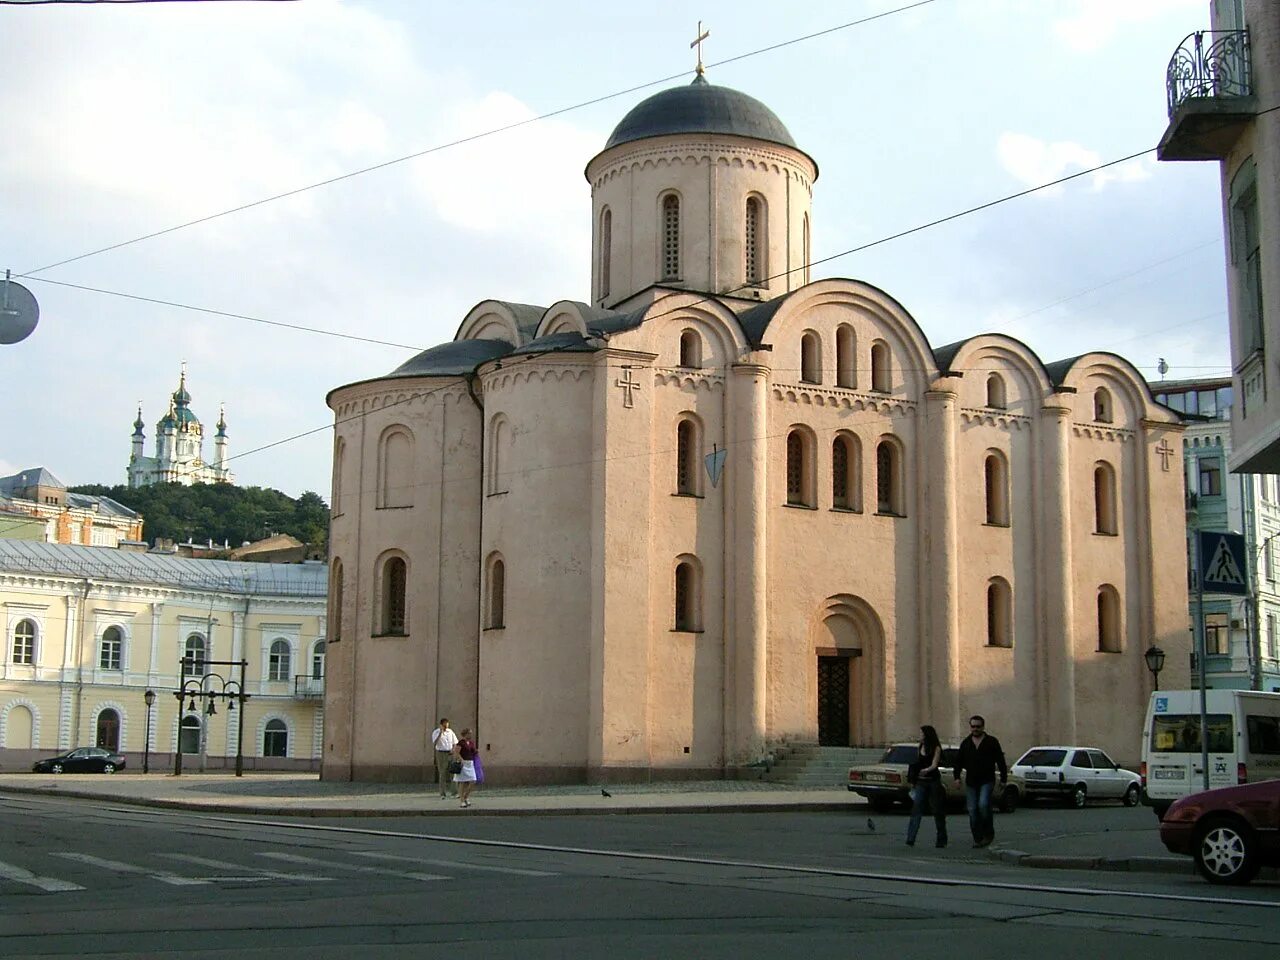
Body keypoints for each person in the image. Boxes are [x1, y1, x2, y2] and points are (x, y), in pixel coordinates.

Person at [953, 714, 1007, 849]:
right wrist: (957, 778)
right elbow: (958, 762)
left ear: (983, 727)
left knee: (983, 805)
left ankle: (988, 833)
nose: (975, 729)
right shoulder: (966, 743)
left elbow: (1000, 760)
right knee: (972, 810)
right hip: (971, 781)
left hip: (987, 780)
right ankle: (978, 838)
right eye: (973, 726)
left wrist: (1004, 779)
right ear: (970, 727)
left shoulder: (992, 742)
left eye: (978, 726)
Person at [905, 724, 947, 849]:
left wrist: (926, 770)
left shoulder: (936, 748)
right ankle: (910, 838)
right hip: (921, 782)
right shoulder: (920, 747)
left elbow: (934, 765)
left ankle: (941, 839)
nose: (920, 736)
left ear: (927, 735)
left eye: (922, 733)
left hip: (933, 781)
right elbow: (918, 762)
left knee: (937, 810)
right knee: (916, 809)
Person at [431, 718, 458, 799]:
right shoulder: (436, 732)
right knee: (442, 773)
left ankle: (454, 792)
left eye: (447, 725)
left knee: (453, 773)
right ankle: (442, 793)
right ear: (441, 725)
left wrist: (453, 750)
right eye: (444, 725)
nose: (446, 727)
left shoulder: (450, 732)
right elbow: (435, 743)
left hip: (450, 753)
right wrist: (440, 733)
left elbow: (455, 742)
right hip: (441, 753)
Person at [453, 727, 479, 808]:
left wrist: (476, 752)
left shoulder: (471, 743)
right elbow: (456, 752)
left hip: (470, 763)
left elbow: (473, 751)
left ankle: (465, 796)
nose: (471, 735)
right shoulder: (461, 743)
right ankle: (462, 801)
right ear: (465, 734)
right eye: (469, 733)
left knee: (473, 780)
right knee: (462, 782)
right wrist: (461, 760)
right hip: (463, 763)